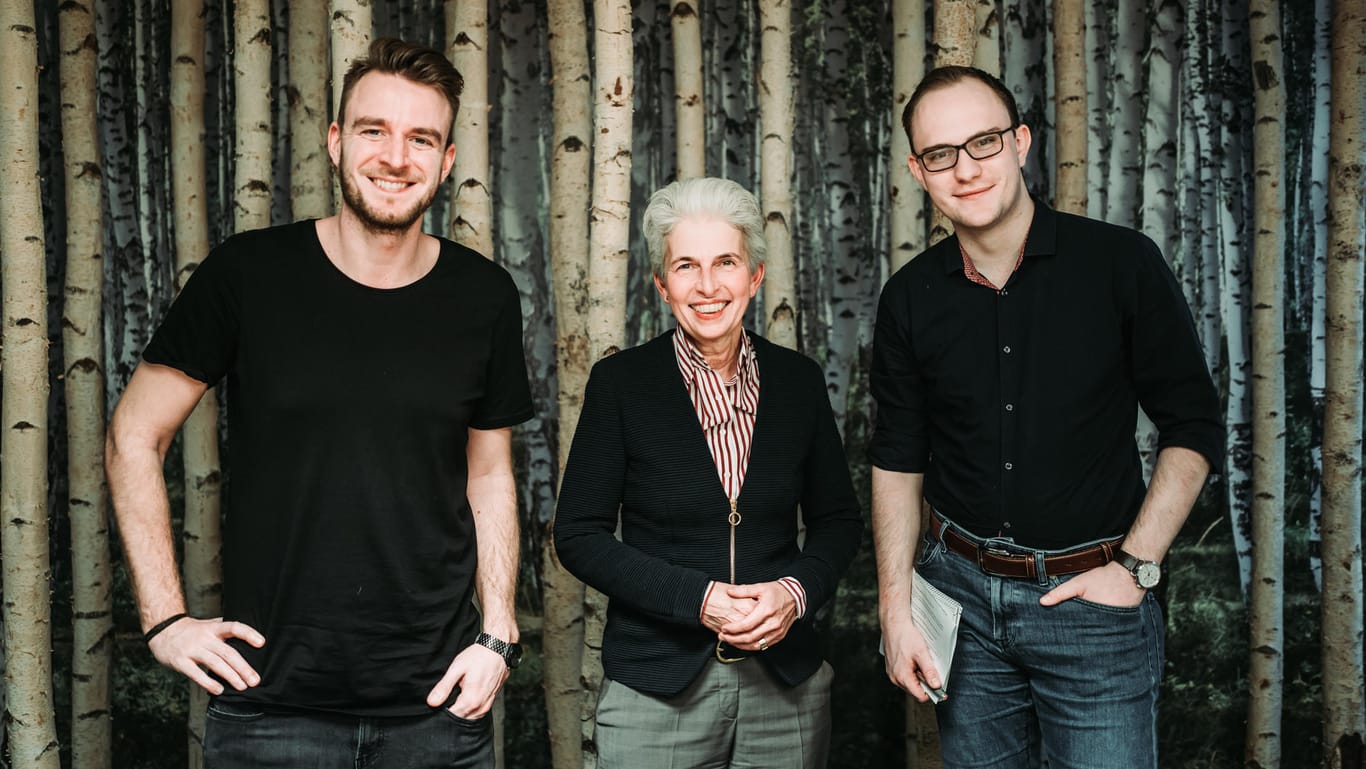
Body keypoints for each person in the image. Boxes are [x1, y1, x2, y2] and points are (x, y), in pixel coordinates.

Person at [105, 38, 532, 768]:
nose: (396, 157)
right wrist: (165, 621)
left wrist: (497, 633)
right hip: (270, 709)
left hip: (438, 708)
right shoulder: (248, 274)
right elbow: (133, 434)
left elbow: (487, 471)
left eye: (420, 137)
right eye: (374, 130)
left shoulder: (483, 296)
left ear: (447, 159)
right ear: (336, 142)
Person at [870, 66, 1223, 769]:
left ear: (1021, 142)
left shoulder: (1121, 265)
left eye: (984, 143)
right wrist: (895, 607)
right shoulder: (908, 298)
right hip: (960, 603)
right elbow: (897, 459)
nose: (965, 169)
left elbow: (1193, 426)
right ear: (917, 170)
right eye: (940, 154)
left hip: (1095, 605)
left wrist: (1137, 565)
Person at [554, 177, 863, 769]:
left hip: (786, 689)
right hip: (657, 689)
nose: (708, 285)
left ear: (754, 276)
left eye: (726, 262)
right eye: (686, 266)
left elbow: (838, 521)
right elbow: (578, 535)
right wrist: (696, 599)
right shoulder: (621, 386)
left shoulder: (798, 382)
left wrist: (794, 594)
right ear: (661, 284)